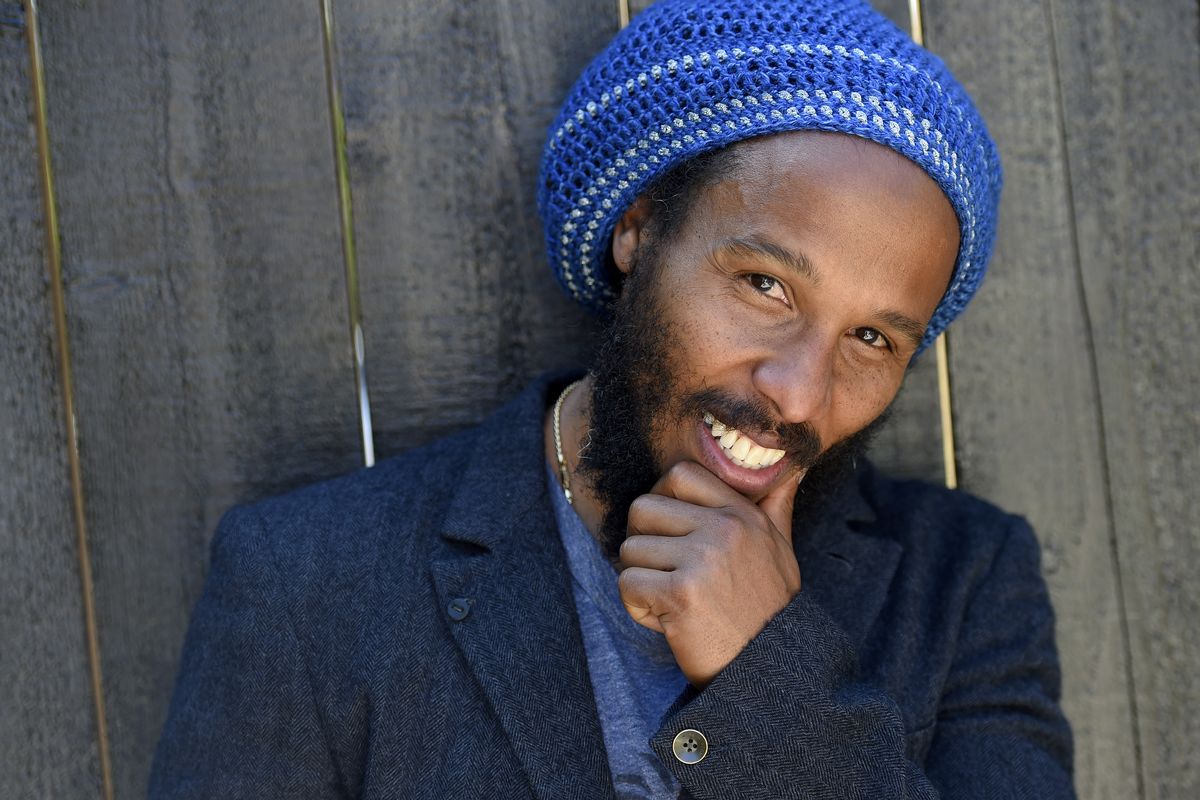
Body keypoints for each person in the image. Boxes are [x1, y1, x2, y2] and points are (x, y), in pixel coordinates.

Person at [150, 0, 1076, 797]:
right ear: (638, 229)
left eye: (872, 338)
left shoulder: (965, 582)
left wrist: (772, 675)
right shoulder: (308, 583)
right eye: (764, 285)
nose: (797, 392)